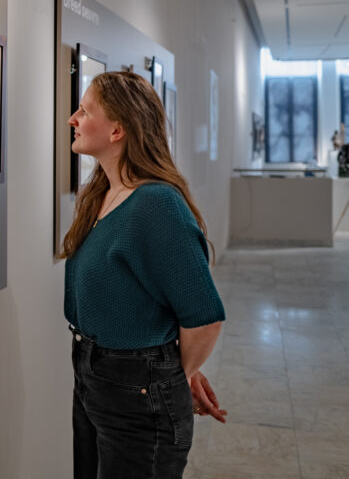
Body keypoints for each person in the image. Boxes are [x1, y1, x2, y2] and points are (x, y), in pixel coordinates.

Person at [63, 71, 226, 478]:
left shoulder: (155, 205)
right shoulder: (105, 193)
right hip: (93, 375)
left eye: (85, 110)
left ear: (117, 129)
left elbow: (204, 319)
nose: (73, 118)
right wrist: (171, 370)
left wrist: (170, 376)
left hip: (135, 392)